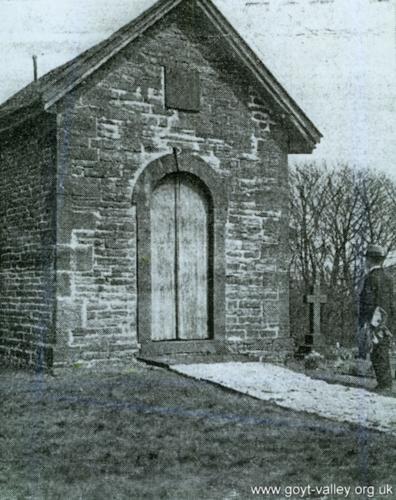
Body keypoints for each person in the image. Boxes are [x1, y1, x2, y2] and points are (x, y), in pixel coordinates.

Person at [359, 244, 394, 390]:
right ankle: (385, 382)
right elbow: (392, 301)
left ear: (370, 260)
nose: (365, 262)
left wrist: (364, 321)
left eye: (367, 258)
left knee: (377, 352)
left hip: (374, 320)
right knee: (382, 350)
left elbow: (367, 301)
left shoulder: (370, 278)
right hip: (387, 320)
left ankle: (384, 383)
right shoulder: (388, 277)